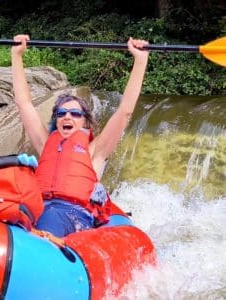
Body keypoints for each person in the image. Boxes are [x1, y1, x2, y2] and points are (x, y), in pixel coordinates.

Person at [11, 34, 149, 237]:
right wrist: (16, 55)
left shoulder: (96, 150)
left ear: (85, 121)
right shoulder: (45, 142)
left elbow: (125, 111)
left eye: (75, 114)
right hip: (38, 208)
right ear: (56, 120)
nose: (67, 117)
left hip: (73, 215)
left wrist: (140, 60)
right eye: (61, 113)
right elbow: (24, 103)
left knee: (51, 217)